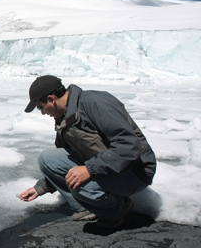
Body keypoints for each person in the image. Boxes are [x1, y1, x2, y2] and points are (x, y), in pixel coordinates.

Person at [19, 75, 157, 228]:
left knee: (78, 186)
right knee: (47, 159)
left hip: (135, 171)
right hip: (108, 165)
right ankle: (89, 207)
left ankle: (118, 210)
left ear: (51, 99)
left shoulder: (94, 103)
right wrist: (42, 188)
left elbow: (129, 146)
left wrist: (89, 169)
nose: (43, 113)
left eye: (40, 107)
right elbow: (63, 162)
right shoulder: (65, 117)